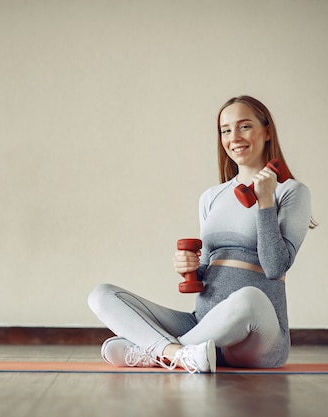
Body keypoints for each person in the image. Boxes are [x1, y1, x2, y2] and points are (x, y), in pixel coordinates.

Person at [88, 95, 314, 373]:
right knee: (101, 294)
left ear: (267, 131)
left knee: (249, 297)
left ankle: (156, 352)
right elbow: (206, 268)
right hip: (204, 326)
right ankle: (180, 353)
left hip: (257, 338)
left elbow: (275, 267)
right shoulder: (211, 197)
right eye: (226, 130)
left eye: (245, 126)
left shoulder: (292, 191)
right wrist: (191, 268)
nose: (235, 137)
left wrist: (265, 202)